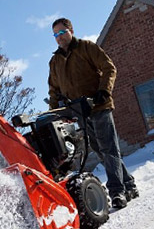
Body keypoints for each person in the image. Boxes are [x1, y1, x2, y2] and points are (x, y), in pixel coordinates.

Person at [47, 17, 138, 209]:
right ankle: (129, 184)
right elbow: (53, 90)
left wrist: (104, 91)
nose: (59, 37)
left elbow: (108, 68)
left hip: (99, 106)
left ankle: (117, 192)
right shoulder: (55, 61)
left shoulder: (86, 48)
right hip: (79, 111)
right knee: (100, 150)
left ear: (71, 30)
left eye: (62, 32)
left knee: (109, 148)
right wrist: (55, 113)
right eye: (55, 35)